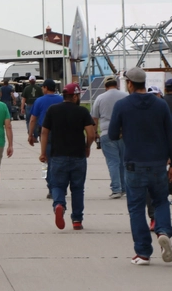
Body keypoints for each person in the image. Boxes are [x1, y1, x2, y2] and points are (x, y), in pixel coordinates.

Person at [108, 67, 172, 266]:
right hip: (158, 163)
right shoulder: (160, 104)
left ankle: (143, 253)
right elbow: (170, 136)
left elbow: (112, 134)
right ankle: (163, 231)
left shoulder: (122, 105)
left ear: (129, 83)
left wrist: (125, 131)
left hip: (133, 163)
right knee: (161, 201)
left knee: (136, 208)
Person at [40, 83, 95, 230]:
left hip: (58, 155)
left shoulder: (53, 110)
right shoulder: (82, 112)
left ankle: (59, 204)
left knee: (57, 184)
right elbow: (91, 134)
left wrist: (43, 152)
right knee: (77, 188)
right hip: (78, 155)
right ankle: (77, 219)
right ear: (75, 96)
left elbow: (44, 132)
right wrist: (87, 146)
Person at [91, 75, 129, 199]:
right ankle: (124, 188)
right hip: (124, 133)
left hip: (107, 133)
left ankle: (116, 189)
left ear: (105, 87)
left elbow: (94, 117)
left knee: (113, 162)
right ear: (116, 85)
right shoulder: (125, 96)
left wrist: (95, 132)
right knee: (124, 161)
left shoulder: (100, 98)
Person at [28, 79, 63, 198]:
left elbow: (33, 119)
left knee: (48, 161)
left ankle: (52, 188)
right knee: (59, 160)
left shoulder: (39, 101)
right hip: (60, 133)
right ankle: (60, 186)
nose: (42, 89)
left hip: (45, 133)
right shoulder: (61, 99)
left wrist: (30, 134)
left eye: (43, 87)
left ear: (46, 88)